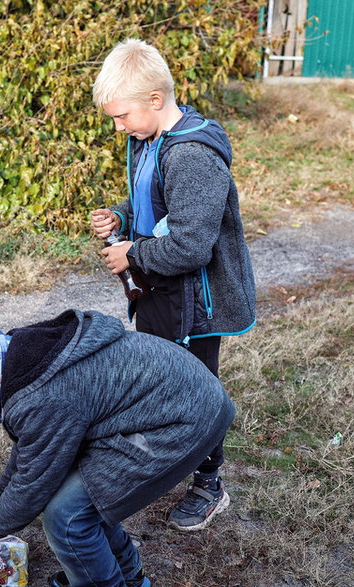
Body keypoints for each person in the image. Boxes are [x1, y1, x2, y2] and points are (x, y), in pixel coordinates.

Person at [0, 309, 235, 587]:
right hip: (168, 404)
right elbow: (34, 451)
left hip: (180, 423)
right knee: (81, 498)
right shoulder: (16, 357)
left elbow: (34, 485)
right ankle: (126, 575)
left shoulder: (41, 397)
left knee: (67, 516)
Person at [89, 38, 256, 531]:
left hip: (195, 303)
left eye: (121, 116)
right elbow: (157, 203)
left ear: (156, 101)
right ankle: (160, 464)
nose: (118, 126)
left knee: (196, 390)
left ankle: (210, 484)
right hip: (160, 292)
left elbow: (189, 246)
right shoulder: (148, 141)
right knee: (154, 383)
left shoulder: (192, 156)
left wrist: (131, 254)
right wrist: (120, 215)